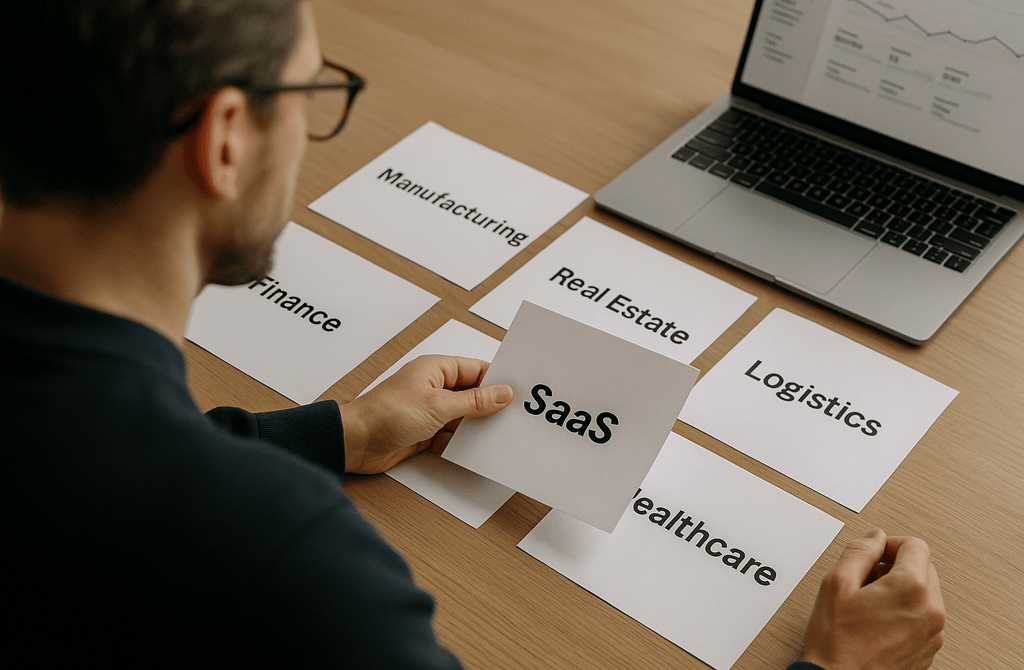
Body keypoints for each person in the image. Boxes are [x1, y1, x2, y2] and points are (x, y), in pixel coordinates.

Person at [0, 1, 944, 667]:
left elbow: (98, 459)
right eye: (310, 92)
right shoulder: (293, 569)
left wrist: (341, 431)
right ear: (225, 140)